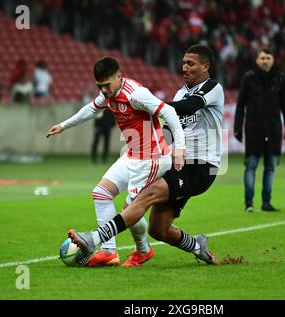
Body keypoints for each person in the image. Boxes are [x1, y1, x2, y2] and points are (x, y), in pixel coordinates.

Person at [67, 44, 224, 265]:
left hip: (202, 165)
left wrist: (146, 103)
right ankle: (198, 246)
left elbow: (188, 107)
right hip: (177, 163)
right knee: (159, 229)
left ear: (206, 66)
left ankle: (95, 238)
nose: (184, 67)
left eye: (191, 63)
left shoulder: (213, 88)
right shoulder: (180, 92)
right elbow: (169, 128)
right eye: (183, 62)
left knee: (145, 196)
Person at [46, 56, 186, 267]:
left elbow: (170, 111)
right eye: (100, 86)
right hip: (132, 155)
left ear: (119, 76)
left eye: (107, 85)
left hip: (152, 158)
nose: (104, 90)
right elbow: (91, 109)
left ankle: (143, 251)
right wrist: (64, 125)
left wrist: (180, 149)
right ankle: (109, 251)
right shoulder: (109, 93)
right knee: (101, 193)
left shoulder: (136, 94)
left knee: (131, 209)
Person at [233, 47, 285, 213]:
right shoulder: (249, 78)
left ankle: (266, 203)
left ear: (273, 60)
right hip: (254, 129)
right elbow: (240, 105)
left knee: (271, 167)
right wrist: (237, 128)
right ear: (257, 60)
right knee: (251, 165)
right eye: (262, 58)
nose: (265, 61)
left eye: (268, 57)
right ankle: (249, 203)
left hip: (273, 129)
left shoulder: (280, 78)